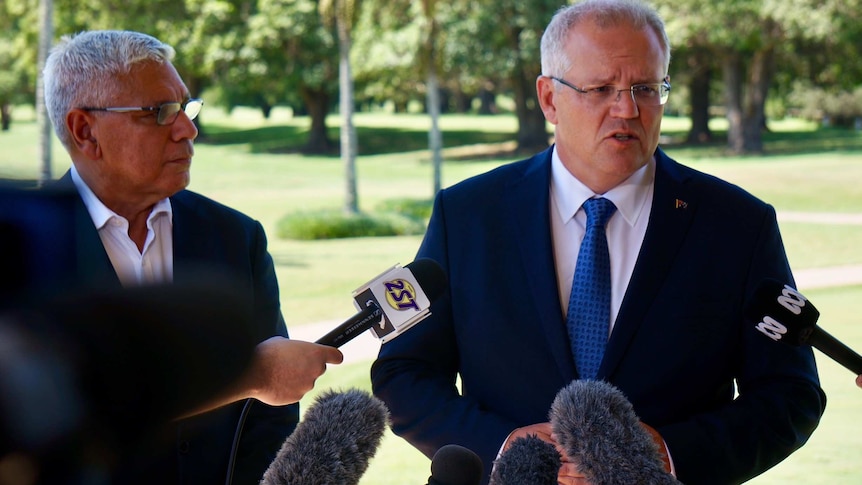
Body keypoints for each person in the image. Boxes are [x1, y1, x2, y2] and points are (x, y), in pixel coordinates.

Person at [371, 1, 826, 484]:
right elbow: (404, 372)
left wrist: (669, 455)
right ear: (549, 99)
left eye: (646, 89)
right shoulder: (467, 215)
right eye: (602, 88)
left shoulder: (738, 225)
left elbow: (789, 392)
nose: (627, 109)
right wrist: (506, 451)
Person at [40, 30, 343, 484]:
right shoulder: (24, 248)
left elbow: (267, 423)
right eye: (159, 112)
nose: (187, 129)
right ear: (85, 131)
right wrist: (250, 375)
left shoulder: (236, 237)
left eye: (185, 107)